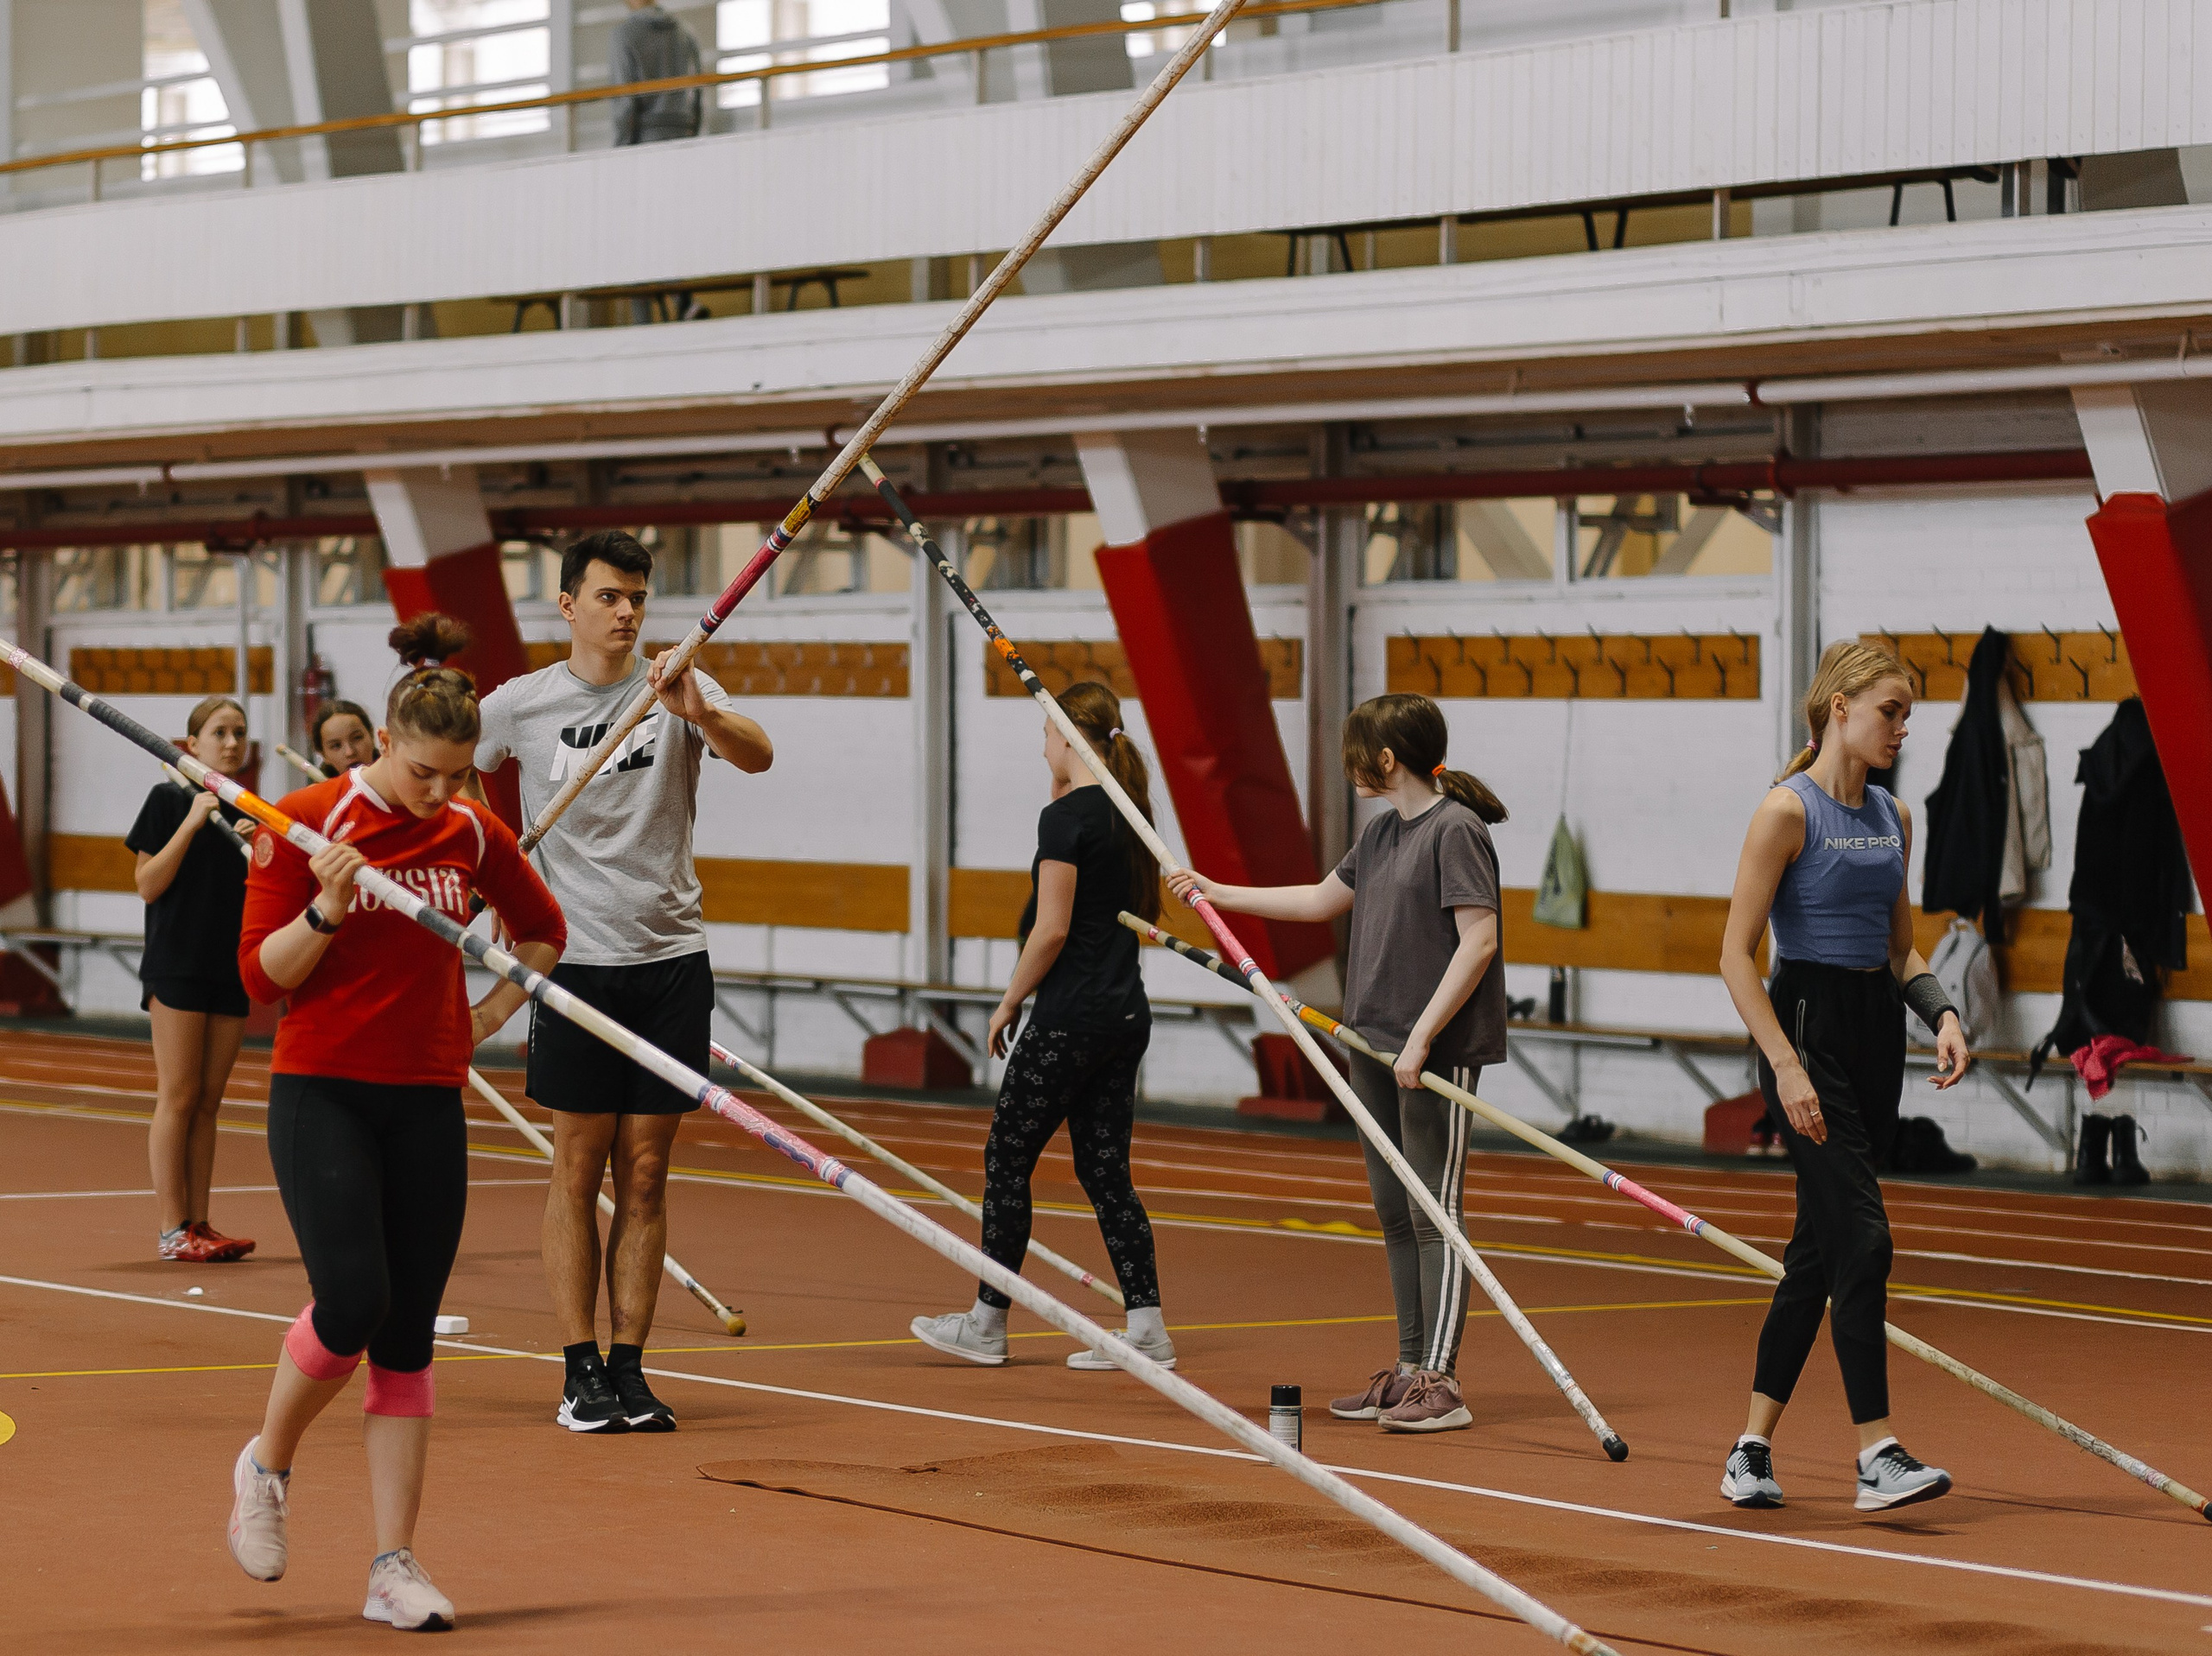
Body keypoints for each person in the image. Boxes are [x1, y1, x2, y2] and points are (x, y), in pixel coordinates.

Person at [226, 615, 566, 1629]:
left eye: (457, 775)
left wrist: (488, 1015)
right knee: (354, 1303)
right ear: (383, 741)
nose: (439, 793)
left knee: (408, 1336)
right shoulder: (304, 821)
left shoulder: (470, 831)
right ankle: (266, 1464)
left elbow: (543, 931)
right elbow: (260, 979)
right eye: (423, 773)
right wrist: (325, 911)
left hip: (427, 1096)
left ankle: (392, 1566)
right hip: (324, 1092)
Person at [474, 530, 772, 1433]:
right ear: (568, 605)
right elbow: (461, 768)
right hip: (575, 964)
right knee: (577, 1165)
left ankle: (630, 1368)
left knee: (646, 1172)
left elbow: (758, 755)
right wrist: (506, 878)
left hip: (669, 958)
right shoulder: (521, 704)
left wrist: (699, 712)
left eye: (638, 597)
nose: (627, 612)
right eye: (609, 596)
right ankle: (579, 1371)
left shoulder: (676, 683)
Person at [1167, 692, 1505, 1435]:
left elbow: (1478, 940)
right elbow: (1322, 900)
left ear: (1385, 758)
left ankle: (1443, 1381)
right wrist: (1218, 892)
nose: (1349, 765)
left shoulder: (1457, 829)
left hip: (1433, 1054)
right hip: (1370, 1042)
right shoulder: (1381, 833)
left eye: (1356, 752)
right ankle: (1409, 1367)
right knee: (1393, 1209)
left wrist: (1422, 1037)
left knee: (1434, 1212)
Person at [1715, 640, 1970, 1514]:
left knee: (1818, 1251)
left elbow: (1900, 950)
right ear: (1840, 708)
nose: (1902, 729)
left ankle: (1750, 1449)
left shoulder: (1896, 816)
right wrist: (1785, 1066)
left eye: (1907, 715)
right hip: (1806, 1028)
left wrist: (1941, 1013)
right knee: (1863, 1238)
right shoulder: (1787, 812)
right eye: (1890, 711)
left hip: (1873, 1033)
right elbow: (1735, 955)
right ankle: (1876, 1453)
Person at [911, 683, 1171, 1370]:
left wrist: (1009, 1001)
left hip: (1070, 1018)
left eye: (1046, 734)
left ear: (1067, 736)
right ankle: (1148, 1327)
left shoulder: (1065, 817)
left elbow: (1050, 929)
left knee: (1007, 1159)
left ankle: (986, 1322)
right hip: (1124, 1014)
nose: (1042, 748)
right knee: (1105, 1171)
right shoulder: (1128, 809)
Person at [126, 695, 258, 1264]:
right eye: (220, 732)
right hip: (177, 964)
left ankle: (200, 1223)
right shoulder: (169, 798)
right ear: (193, 744)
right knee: (177, 1095)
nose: (231, 742)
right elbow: (147, 884)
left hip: (228, 966)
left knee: (208, 1100)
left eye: (240, 732)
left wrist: (259, 848)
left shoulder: (249, 811)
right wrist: (192, 821)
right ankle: (171, 1229)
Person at [611, 0, 707, 322]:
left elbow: (625, 102)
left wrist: (621, 151)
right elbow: (698, 95)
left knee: (635, 232)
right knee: (674, 226)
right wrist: (692, 137)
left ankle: (644, 319)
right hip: (682, 138)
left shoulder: (625, 34)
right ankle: (684, 301)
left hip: (644, 140)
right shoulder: (684, 32)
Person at [310, 698, 378, 777]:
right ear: (323, 755)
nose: (350, 752)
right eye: (336, 745)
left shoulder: (390, 775)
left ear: (371, 736)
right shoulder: (321, 785)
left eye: (357, 738)